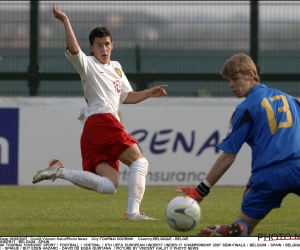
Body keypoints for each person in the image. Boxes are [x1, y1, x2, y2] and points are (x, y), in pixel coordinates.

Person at [32, 5, 168, 220]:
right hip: (101, 122)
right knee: (140, 162)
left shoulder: (116, 67)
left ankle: (59, 171)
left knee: (110, 185)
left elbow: (127, 97)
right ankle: (133, 213)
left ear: (112, 45)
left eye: (106, 44)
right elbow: (74, 49)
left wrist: (149, 93)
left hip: (95, 130)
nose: (103, 49)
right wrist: (65, 20)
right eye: (98, 45)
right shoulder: (87, 65)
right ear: (91, 48)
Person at [175, 53, 300, 236]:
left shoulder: (245, 109)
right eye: (228, 80)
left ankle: (236, 230)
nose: (231, 85)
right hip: (297, 168)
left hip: (267, 177)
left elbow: (228, 157)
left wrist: (201, 190)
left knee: (243, 228)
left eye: (235, 79)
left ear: (251, 74)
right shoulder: (290, 100)